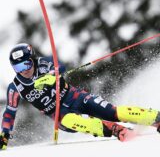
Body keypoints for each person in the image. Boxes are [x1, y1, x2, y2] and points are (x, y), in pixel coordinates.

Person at [0, 43, 160, 150]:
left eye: (26, 64)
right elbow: (9, 112)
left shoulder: (43, 63)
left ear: (32, 60)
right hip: (59, 114)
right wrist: (4, 135)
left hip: (74, 96)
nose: (23, 70)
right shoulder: (16, 87)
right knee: (72, 120)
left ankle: (155, 118)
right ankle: (116, 130)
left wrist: (52, 75)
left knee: (112, 112)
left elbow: (60, 65)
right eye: (18, 67)